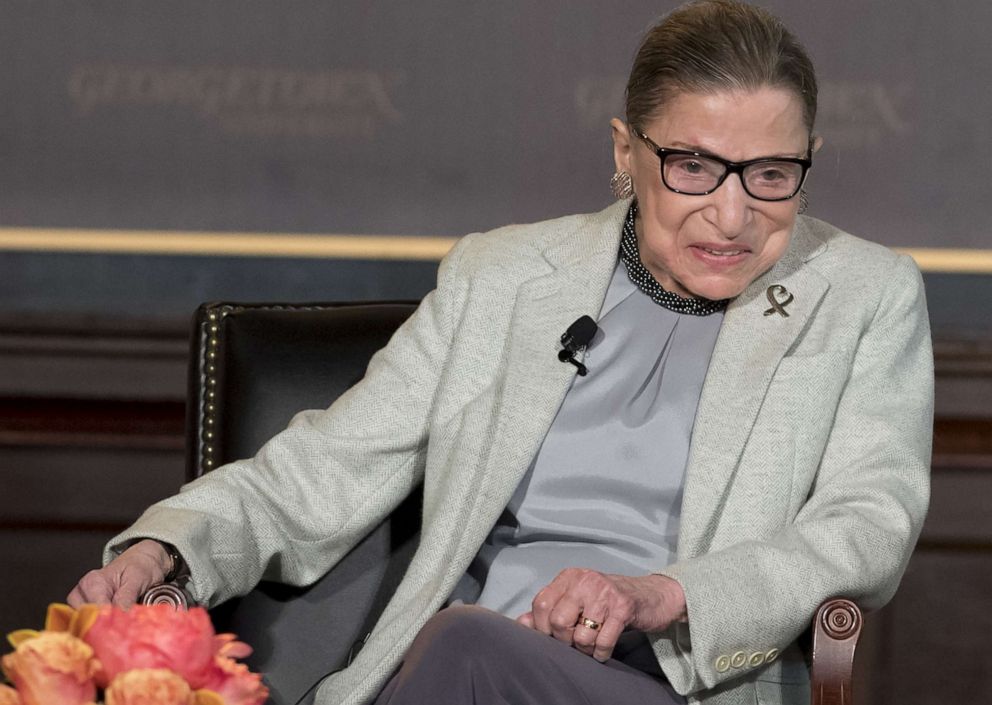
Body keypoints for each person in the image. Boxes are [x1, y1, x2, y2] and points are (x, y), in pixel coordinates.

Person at [68, 2, 933, 704]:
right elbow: (320, 472)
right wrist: (167, 553)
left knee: (466, 643)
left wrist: (662, 594)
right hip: (463, 667)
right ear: (626, 154)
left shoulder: (863, 296)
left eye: (771, 174)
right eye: (695, 168)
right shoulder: (507, 277)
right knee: (468, 644)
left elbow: (866, 529)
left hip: (683, 683)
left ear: (810, 162)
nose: (734, 213)